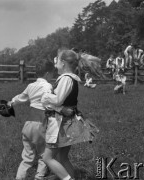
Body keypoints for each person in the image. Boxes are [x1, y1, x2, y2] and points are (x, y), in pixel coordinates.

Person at [41, 49, 99, 180]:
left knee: (47, 157)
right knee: (62, 157)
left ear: (63, 63)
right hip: (66, 122)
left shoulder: (66, 79)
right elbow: (59, 103)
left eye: (56, 60)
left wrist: (45, 96)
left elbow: (58, 100)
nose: (55, 64)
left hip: (61, 125)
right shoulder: (68, 79)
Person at [8, 60, 59, 180]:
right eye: (52, 74)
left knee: (27, 157)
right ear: (47, 74)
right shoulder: (47, 86)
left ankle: (19, 178)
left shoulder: (30, 86)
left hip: (27, 125)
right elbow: (49, 102)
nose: (52, 77)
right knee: (43, 155)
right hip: (40, 124)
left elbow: (20, 98)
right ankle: (39, 177)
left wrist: (10, 103)